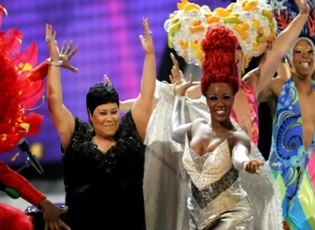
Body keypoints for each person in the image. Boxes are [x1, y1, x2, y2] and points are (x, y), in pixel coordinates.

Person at [45, 17, 156, 230]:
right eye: (103, 113)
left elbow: (147, 97)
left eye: (114, 112)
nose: (110, 118)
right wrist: (54, 63)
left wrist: (149, 55)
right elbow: (54, 102)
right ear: (90, 114)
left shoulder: (131, 132)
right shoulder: (76, 136)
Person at [171, 24, 265, 230]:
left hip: (232, 222)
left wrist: (247, 163)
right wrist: (178, 97)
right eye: (214, 98)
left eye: (226, 97)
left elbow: (240, 157)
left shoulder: (236, 138)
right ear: (206, 99)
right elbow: (175, 131)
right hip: (197, 221)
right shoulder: (195, 128)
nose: (220, 103)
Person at [261, 36, 315, 229]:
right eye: (298, 51)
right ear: (290, 59)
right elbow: (249, 87)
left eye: (309, 51)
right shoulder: (279, 87)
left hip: (308, 184)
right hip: (279, 179)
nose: (304, 56)